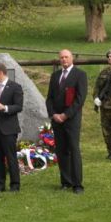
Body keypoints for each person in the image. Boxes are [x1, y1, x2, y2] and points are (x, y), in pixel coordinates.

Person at [45, 49, 88, 194]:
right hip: (57, 119)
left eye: (66, 57)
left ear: (71, 58)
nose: (64, 60)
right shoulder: (55, 75)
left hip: (71, 119)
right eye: (61, 57)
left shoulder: (80, 75)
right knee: (61, 151)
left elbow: (80, 99)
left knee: (73, 150)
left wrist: (66, 115)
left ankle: (77, 184)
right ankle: (65, 181)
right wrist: (53, 114)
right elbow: (49, 98)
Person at [0, 62, 24, 192]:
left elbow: (19, 106)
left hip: (8, 128)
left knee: (10, 157)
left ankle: (15, 185)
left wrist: (5, 107)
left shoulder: (15, 87)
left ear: (1, 73)